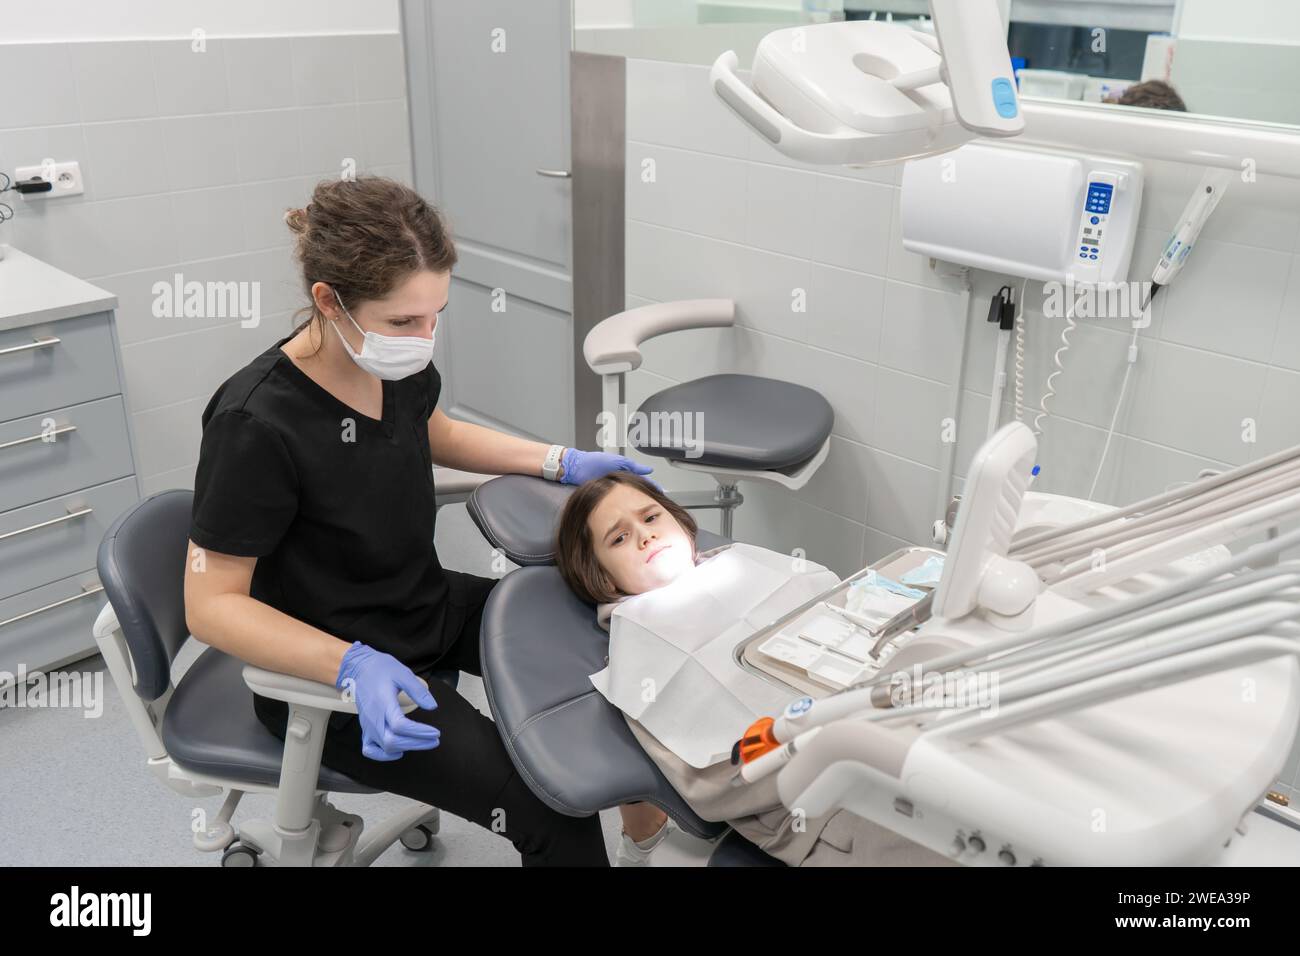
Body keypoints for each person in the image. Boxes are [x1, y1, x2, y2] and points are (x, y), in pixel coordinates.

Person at [183, 175, 652, 866]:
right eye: (404, 320)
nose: (424, 336)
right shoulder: (256, 424)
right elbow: (210, 605)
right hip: (331, 675)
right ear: (327, 300)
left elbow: (436, 433)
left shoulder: (389, 362)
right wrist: (349, 665)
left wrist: (561, 460)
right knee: (554, 807)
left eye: (436, 314)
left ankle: (651, 833)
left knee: (619, 640)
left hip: (419, 605)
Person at [555, 472, 953, 867]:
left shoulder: (742, 561)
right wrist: (835, 735)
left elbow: (840, 603)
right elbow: (712, 785)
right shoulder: (638, 647)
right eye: (619, 538)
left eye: (651, 517)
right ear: (600, 573)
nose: (645, 536)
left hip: (907, 718)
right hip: (827, 805)